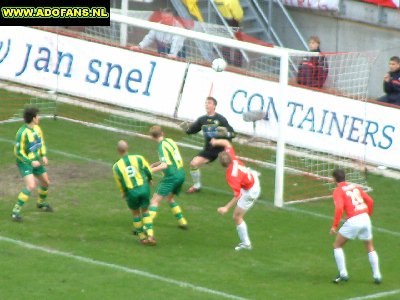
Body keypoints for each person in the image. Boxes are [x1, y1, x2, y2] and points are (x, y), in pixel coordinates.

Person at [330, 169, 382, 284]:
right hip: (365, 217)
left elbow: (339, 208)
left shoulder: (338, 191)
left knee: (337, 245)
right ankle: (377, 275)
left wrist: (334, 226)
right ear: (345, 177)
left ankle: (343, 273)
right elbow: (370, 201)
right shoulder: (355, 187)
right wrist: (367, 214)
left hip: (353, 220)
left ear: (334, 179)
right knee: (369, 246)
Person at [210, 138, 260, 251]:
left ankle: (246, 244)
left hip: (250, 191)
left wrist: (226, 208)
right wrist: (215, 141)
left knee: (237, 217)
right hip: (251, 178)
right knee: (245, 180)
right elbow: (227, 143)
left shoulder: (231, 176)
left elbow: (237, 195)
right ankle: (252, 176)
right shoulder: (231, 156)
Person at [180, 96, 235, 193]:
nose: (207, 105)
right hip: (209, 150)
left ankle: (249, 185)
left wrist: (226, 133)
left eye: (209, 103)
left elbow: (233, 134)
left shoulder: (221, 119)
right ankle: (197, 186)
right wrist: (186, 129)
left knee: (235, 169)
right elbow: (192, 131)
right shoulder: (202, 119)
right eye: (206, 103)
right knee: (193, 164)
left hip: (222, 151)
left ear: (214, 106)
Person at [12, 107, 52, 222]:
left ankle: (41, 203)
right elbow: (18, 152)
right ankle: (15, 212)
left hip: (36, 161)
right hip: (25, 163)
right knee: (31, 185)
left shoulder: (37, 129)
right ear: (33, 118)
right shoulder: (22, 133)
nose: (39, 118)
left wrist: (43, 155)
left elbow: (41, 143)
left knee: (45, 182)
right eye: (37, 116)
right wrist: (30, 162)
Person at [112, 140, 156, 245]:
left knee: (135, 214)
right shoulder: (138, 158)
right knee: (145, 211)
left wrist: (123, 192)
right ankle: (150, 235)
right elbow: (148, 170)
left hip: (131, 192)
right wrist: (150, 179)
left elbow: (119, 182)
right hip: (143, 188)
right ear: (127, 148)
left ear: (118, 150)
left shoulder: (116, 167)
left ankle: (142, 238)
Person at [148, 125, 188, 229]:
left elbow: (165, 165)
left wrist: (150, 170)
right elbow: (170, 157)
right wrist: (155, 164)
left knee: (154, 201)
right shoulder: (170, 141)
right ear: (163, 133)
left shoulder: (161, 147)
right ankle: (182, 221)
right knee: (170, 198)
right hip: (181, 174)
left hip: (171, 177)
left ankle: (145, 226)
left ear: (152, 137)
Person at [214, 0, 244, 67]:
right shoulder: (232, 1)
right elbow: (239, 15)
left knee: (225, 43)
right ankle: (237, 63)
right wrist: (240, 18)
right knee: (238, 43)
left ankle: (226, 61)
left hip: (222, 20)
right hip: (233, 22)